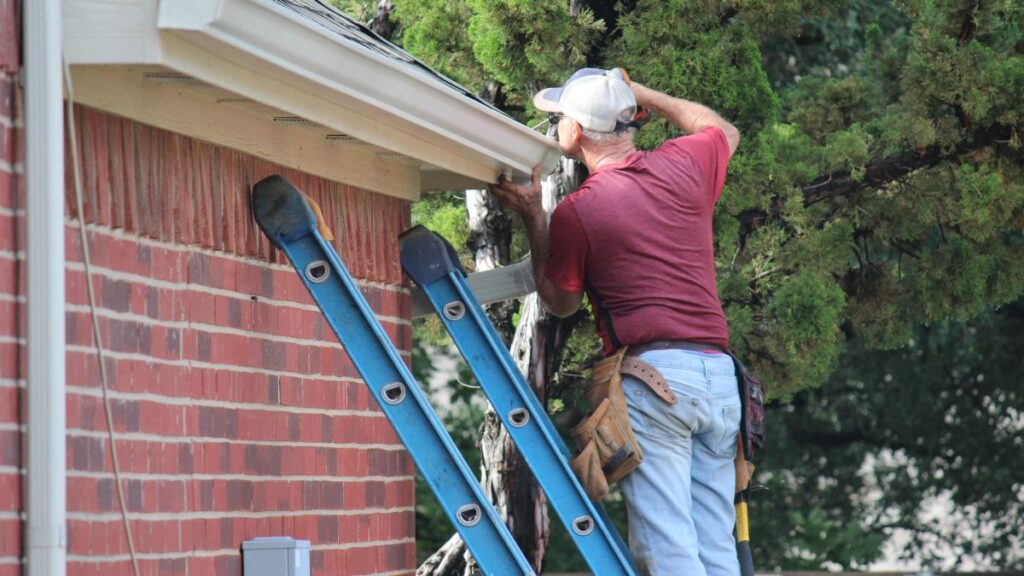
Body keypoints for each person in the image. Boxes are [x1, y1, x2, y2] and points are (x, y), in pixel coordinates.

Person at [489, 68, 742, 576]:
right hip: (721, 380)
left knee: (666, 548)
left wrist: (536, 218)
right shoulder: (686, 163)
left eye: (559, 117)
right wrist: (638, 92)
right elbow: (722, 130)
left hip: (659, 382)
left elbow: (560, 301)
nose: (555, 125)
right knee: (715, 543)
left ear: (576, 133)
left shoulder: (581, 211)